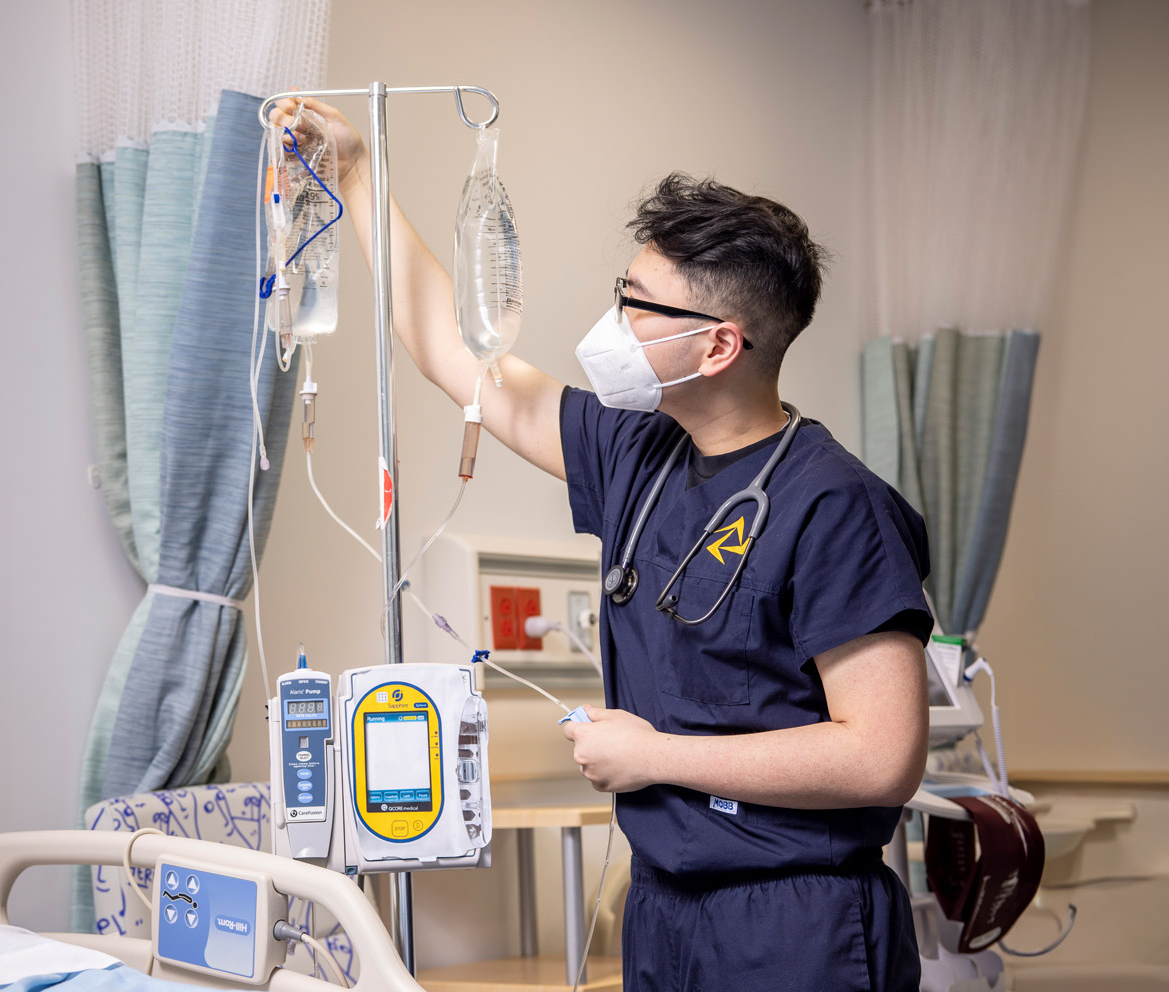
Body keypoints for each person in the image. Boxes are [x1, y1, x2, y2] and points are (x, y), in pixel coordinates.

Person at [271, 96, 932, 991]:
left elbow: (880, 756)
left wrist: (654, 756)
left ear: (718, 346)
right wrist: (353, 172)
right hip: (665, 915)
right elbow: (446, 351)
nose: (610, 322)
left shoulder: (837, 505)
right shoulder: (640, 455)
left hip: (793, 926)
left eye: (635, 304)